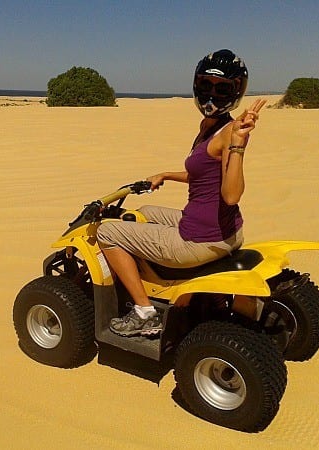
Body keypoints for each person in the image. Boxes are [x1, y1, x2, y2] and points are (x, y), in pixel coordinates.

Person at [96, 49, 266, 337]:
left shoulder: (229, 133)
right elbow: (201, 175)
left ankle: (145, 311)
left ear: (236, 91)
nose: (211, 94)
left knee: (107, 232)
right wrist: (166, 174)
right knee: (146, 213)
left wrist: (238, 143)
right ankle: (147, 273)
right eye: (206, 85)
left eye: (222, 88)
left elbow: (231, 195)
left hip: (201, 240)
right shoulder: (210, 126)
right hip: (226, 230)